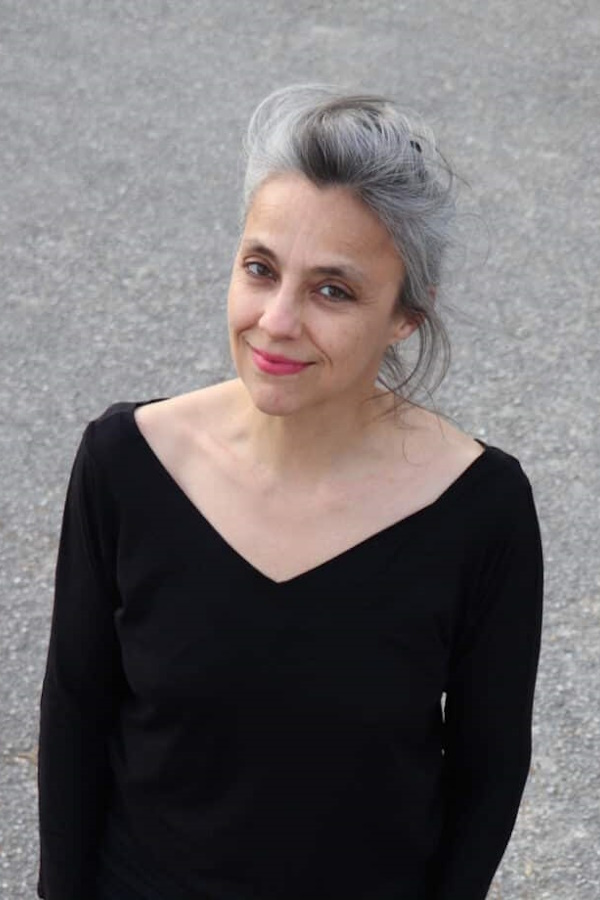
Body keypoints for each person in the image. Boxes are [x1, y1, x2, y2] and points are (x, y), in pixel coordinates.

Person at [37, 85, 543, 900]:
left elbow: (489, 767)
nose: (275, 321)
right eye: (260, 269)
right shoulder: (126, 462)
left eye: (332, 290)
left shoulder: (480, 509)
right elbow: (75, 712)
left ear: (406, 317)